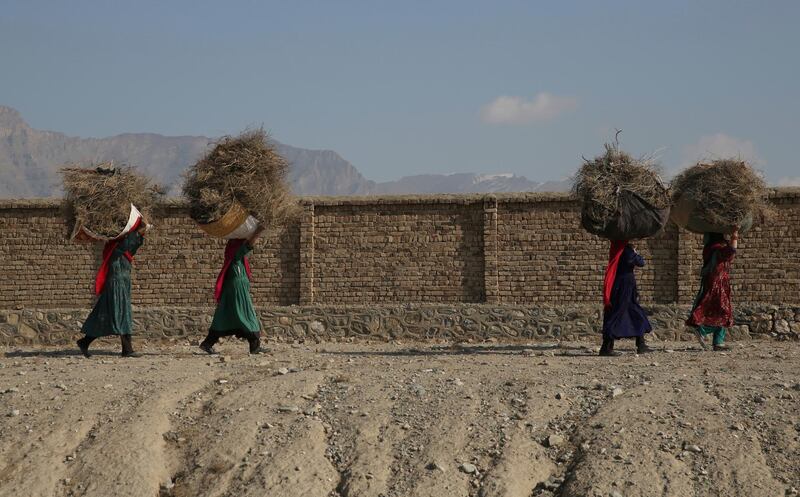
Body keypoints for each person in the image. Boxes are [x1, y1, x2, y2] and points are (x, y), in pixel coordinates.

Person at [77, 219, 149, 358]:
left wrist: (141, 233)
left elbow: (133, 245)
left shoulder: (124, 250)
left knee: (106, 316)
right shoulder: (113, 248)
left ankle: (85, 342)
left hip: (122, 285)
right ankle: (127, 350)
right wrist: (138, 231)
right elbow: (127, 244)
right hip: (116, 285)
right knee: (121, 315)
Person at [200, 226, 266, 355]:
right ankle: (254, 346)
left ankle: (207, 343)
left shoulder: (236, 260)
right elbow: (249, 244)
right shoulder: (236, 256)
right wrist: (258, 231)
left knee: (224, 317)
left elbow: (248, 245)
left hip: (234, 290)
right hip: (238, 291)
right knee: (248, 315)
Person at [687, 228, 739, 351]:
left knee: (719, 311)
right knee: (723, 311)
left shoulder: (709, 247)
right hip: (718, 283)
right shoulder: (716, 247)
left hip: (716, 281)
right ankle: (702, 329)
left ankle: (718, 342)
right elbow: (730, 253)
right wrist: (735, 237)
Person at [599, 240, 653, 356]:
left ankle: (640, 344)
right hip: (625, 287)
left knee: (630, 312)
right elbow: (640, 262)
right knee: (620, 313)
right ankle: (607, 347)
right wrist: (635, 252)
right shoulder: (627, 251)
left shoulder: (617, 249)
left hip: (620, 285)